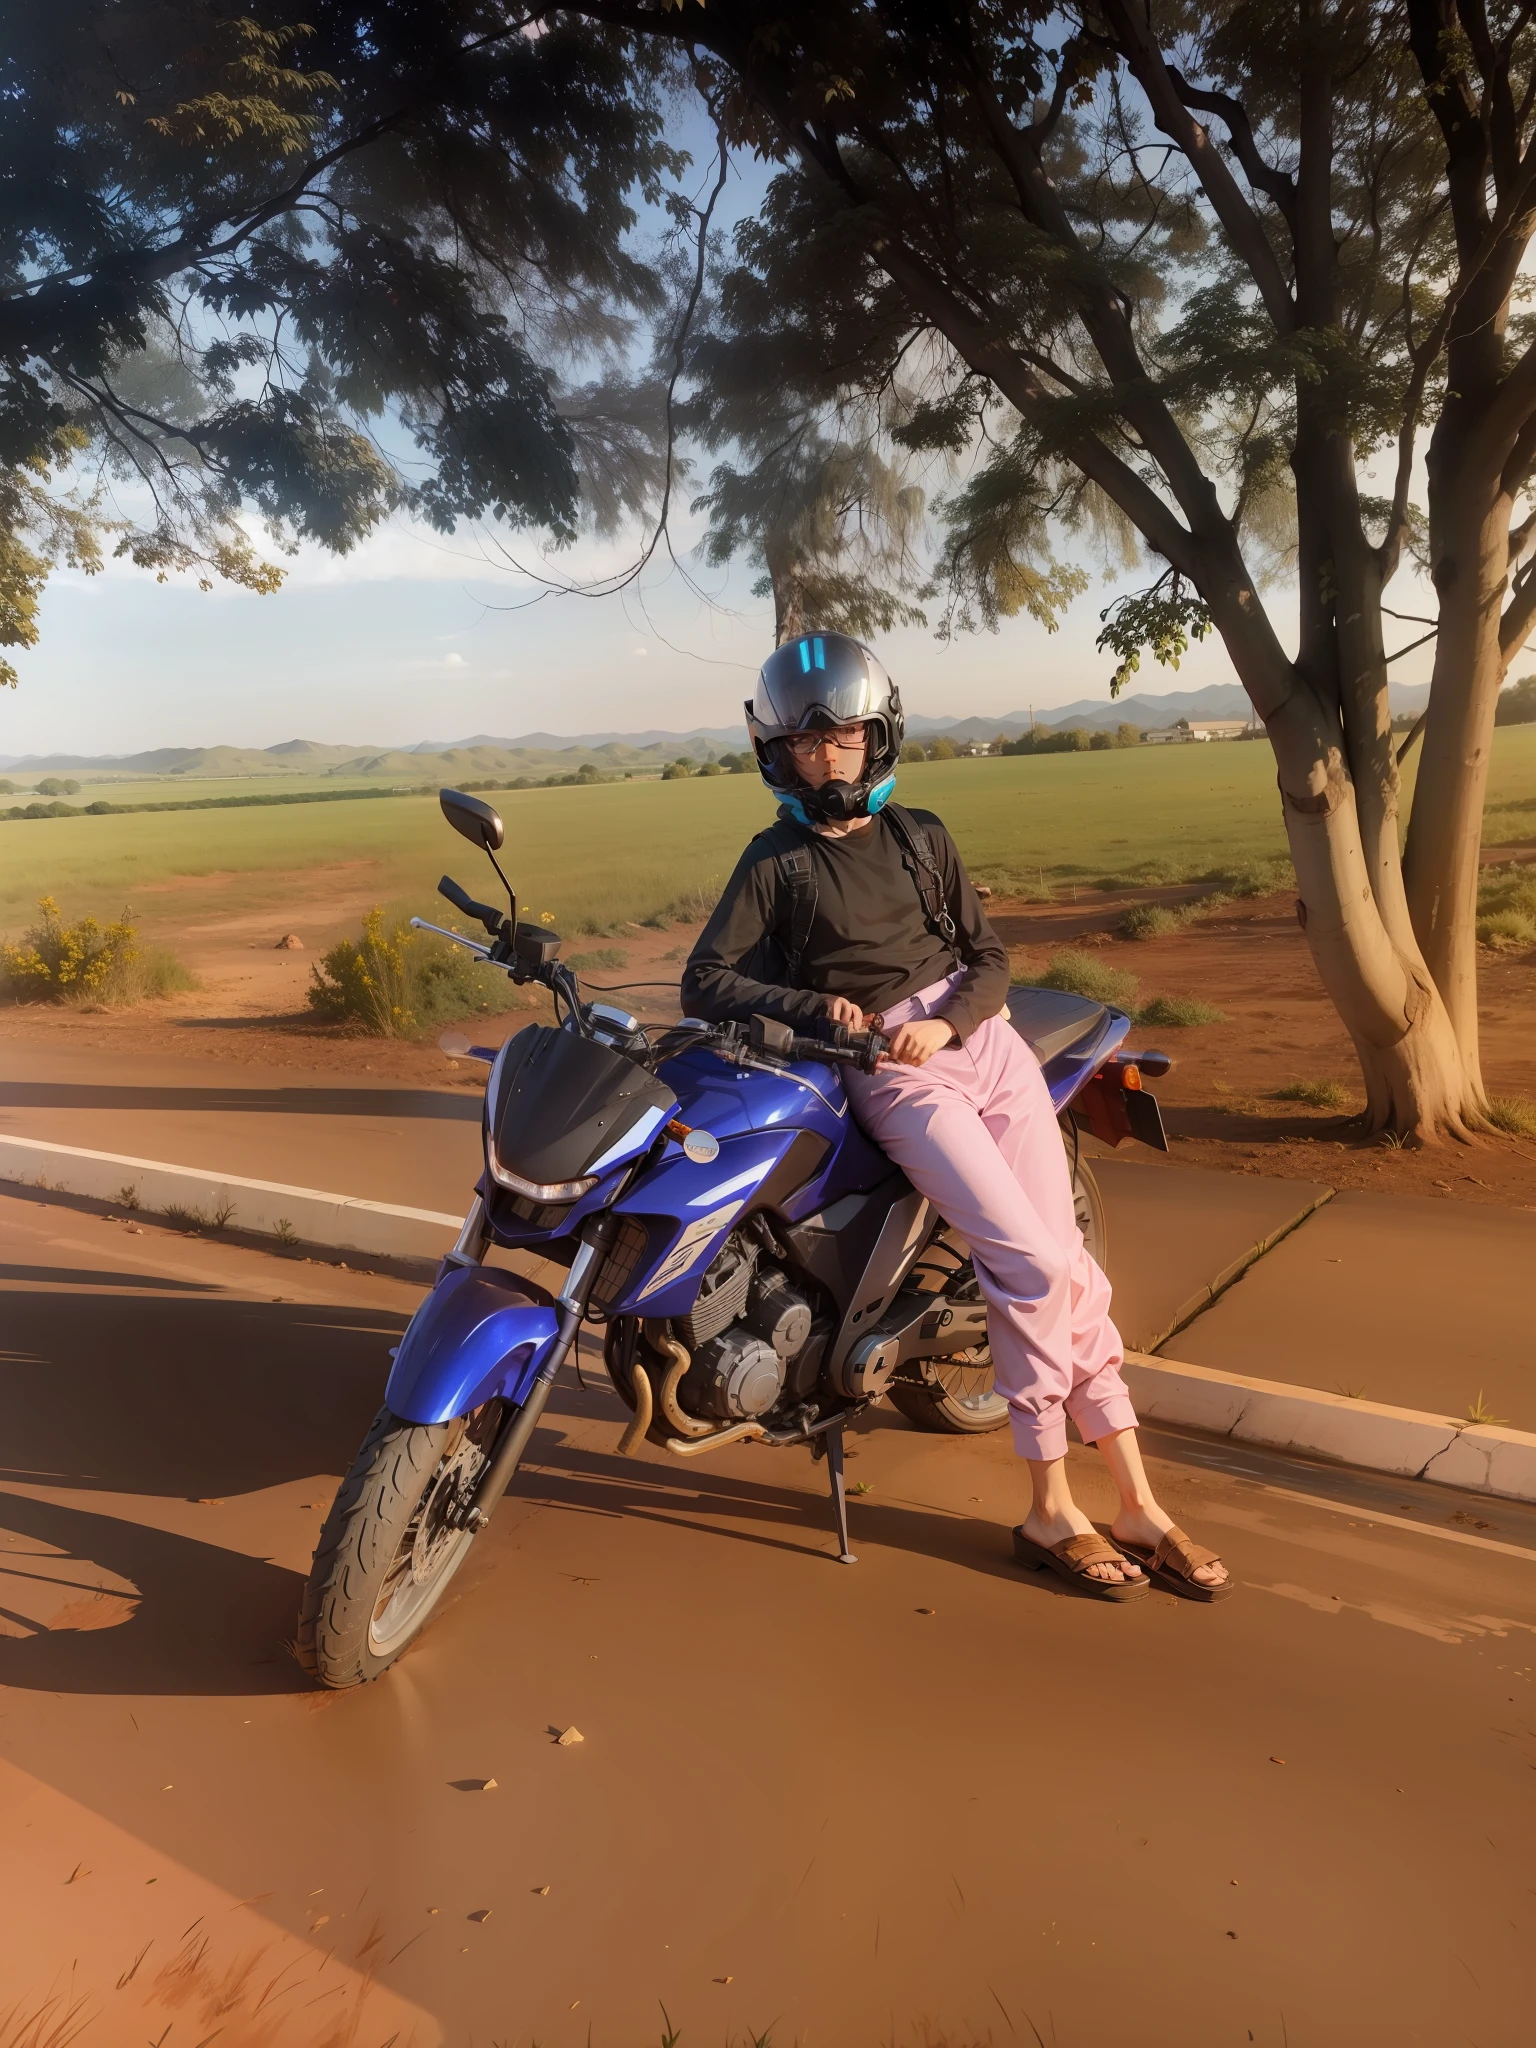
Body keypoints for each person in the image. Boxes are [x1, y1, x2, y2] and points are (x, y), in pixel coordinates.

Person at [683, 632, 1230, 1602]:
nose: (826, 757)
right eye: (805, 742)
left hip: (986, 1049)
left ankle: (1138, 1502)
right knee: (1031, 1263)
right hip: (895, 1073)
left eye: (844, 736)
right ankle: (1050, 1505)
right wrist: (819, 1010)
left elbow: (990, 959)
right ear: (776, 751)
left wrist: (952, 1023)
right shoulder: (775, 863)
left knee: (1072, 1270)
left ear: (877, 735)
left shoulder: (921, 837)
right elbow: (707, 981)